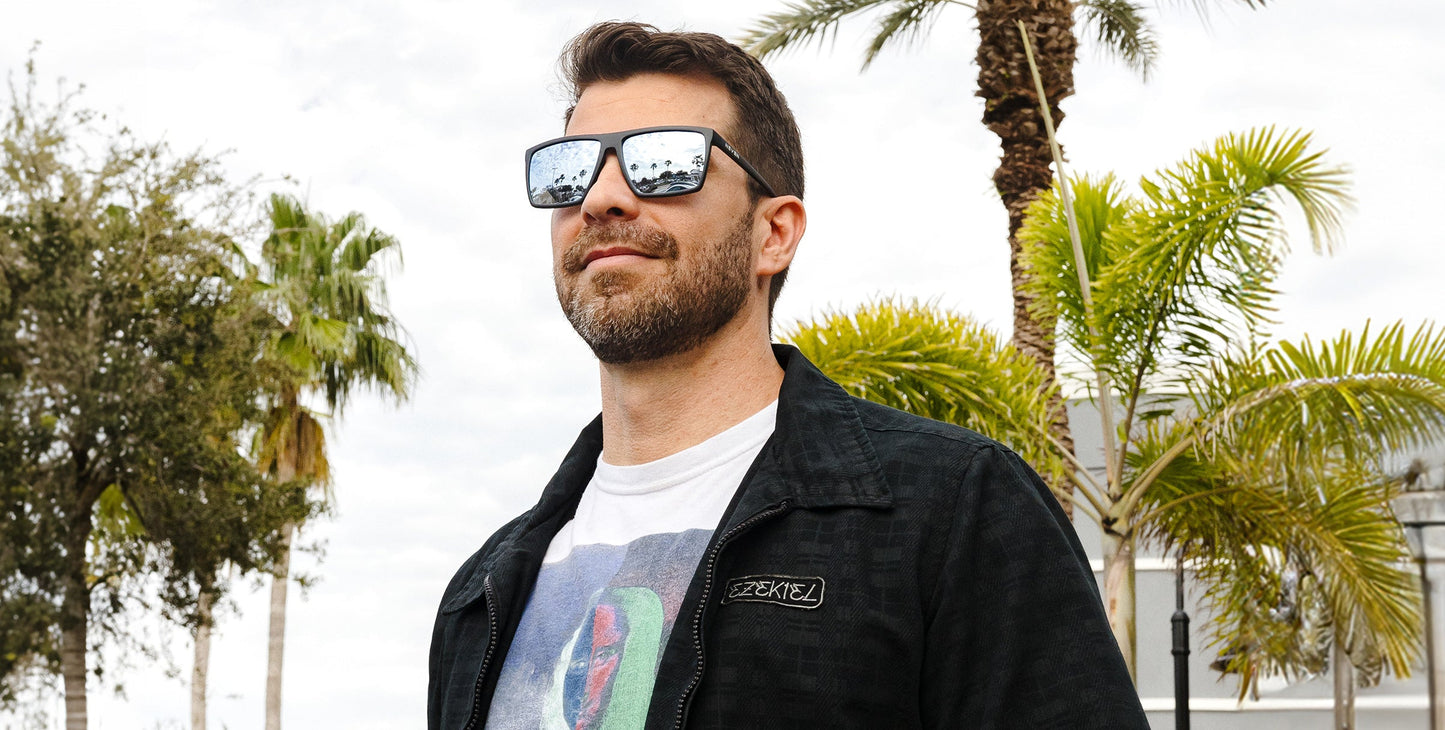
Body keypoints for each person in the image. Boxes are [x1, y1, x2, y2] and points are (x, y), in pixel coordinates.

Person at [429, 21, 1147, 730]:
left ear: (773, 232)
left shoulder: (953, 510)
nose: (600, 198)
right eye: (569, 170)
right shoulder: (480, 590)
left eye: (663, 162)